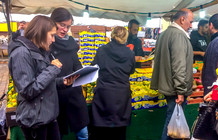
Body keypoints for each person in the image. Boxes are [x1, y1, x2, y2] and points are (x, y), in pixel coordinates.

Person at [8, 15, 77, 140]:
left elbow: (41, 82)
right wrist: (52, 69)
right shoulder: (21, 53)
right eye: (51, 35)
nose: (53, 40)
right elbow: (28, 90)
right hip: (35, 121)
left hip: (47, 116)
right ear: (40, 33)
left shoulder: (40, 51)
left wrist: (62, 82)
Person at [150, 8, 194, 140]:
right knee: (172, 127)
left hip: (168, 85)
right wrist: (180, 90)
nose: (191, 25)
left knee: (172, 123)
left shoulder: (165, 34)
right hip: (175, 89)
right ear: (182, 19)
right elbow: (179, 65)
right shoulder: (179, 35)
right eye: (190, 22)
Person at [50, 8, 89, 140]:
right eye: (62, 25)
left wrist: (82, 72)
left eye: (68, 26)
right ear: (52, 22)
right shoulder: (47, 44)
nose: (65, 29)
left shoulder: (71, 43)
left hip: (74, 94)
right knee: (58, 134)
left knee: (83, 133)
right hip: (56, 96)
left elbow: (76, 63)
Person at [91, 26, 135, 140]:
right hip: (122, 97)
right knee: (119, 132)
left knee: (101, 133)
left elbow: (93, 68)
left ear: (112, 35)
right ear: (125, 37)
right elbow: (131, 70)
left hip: (103, 96)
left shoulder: (101, 50)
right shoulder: (130, 53)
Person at [201, 13, 218, 96]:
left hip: (215, 91)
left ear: (211, 25)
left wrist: (212, 92)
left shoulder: (217, 43)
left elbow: (213, 71)